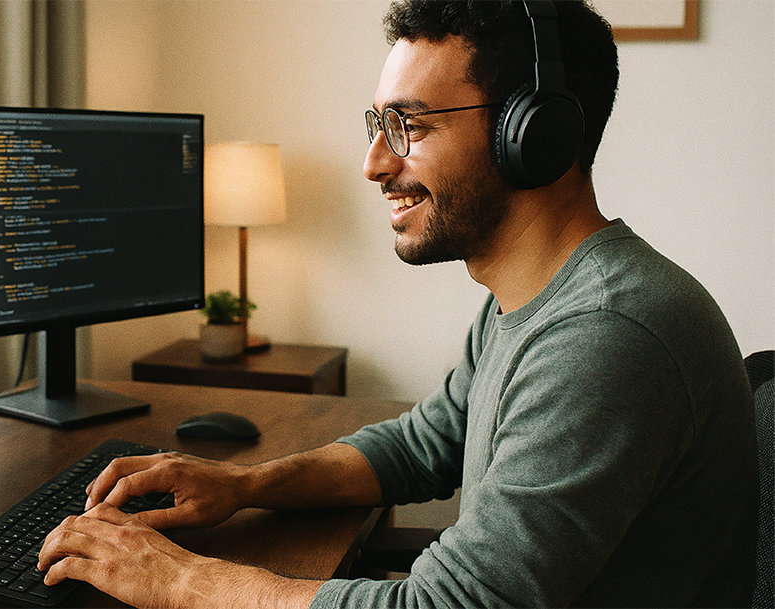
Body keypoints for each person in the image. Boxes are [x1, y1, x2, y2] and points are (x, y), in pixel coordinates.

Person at [37, 1, 759, 606]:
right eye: (376, 124)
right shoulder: (533, 295)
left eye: (408, 126)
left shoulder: (605, 336)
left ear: (531, 136)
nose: (374, 163)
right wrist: (241, 483)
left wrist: (183, 578)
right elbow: (421, 445)